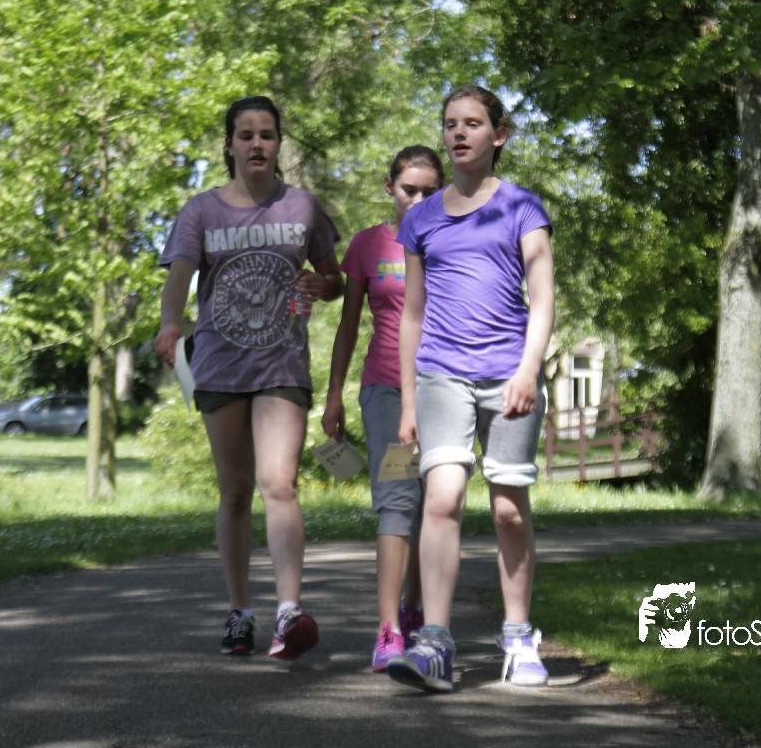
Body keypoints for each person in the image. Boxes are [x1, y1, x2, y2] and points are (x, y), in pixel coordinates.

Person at [153, 95, 344, 661]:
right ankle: (240, 613)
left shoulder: (303, 207)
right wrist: (169, 323)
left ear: (279, 143)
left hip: (282, 360)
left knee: (279, 483)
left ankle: (289, 612)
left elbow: (334, 279)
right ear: (230, 145)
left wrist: (321, 286)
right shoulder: (202, 211)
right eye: (246, 135)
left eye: (266, 134)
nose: (257, 144)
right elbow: (180, 275)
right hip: (220, 362)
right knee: (235, 491)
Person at [385, 84, 556, 693]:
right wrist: (408, 400)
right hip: (441, 374)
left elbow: (543, 299)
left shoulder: (521, 207)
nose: (459, 133)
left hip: (509, 374)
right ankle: (434, 643)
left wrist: (529, 370)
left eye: (473, 123)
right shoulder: (421, 218)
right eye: (450, 123)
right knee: (442, 498)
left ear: (498, 135)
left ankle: (518, 636)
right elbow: (411, 314)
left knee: (508, 507)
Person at [321, 145, 445, 672]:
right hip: (388, 393)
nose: (417, 199)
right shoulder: (369, 245)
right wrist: (333, 394)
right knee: (397, 500)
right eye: (408, 189)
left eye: (429, 191)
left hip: (444, 390)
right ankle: (389, 630)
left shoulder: (452, 239)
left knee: (434, 503)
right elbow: (348, 325)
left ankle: (416, 608)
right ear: (389, 188)